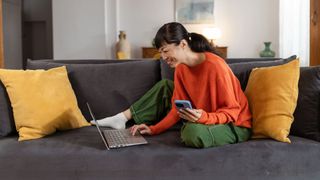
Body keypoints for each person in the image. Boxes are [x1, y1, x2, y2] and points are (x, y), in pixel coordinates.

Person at [91, 22, 252, 148]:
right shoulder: (181, 69)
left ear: (182, 44)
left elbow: (233, 111)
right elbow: (177, 109)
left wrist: (204, 117)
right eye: (160, 52)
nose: (163, 57)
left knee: (192, 132)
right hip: (205, 117)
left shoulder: (216, 67)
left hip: (234, 125)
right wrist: (154, 129)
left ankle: (194, 126)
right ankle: (123, 118)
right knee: (174, 100)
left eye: (165, 51)